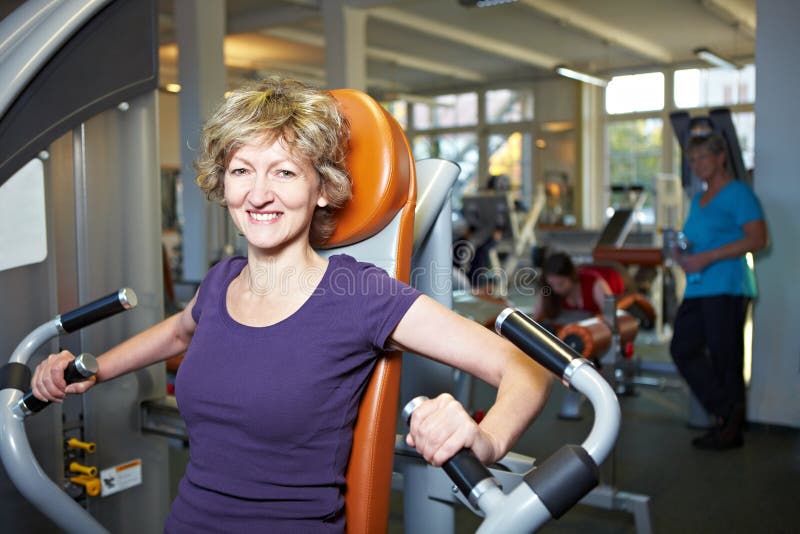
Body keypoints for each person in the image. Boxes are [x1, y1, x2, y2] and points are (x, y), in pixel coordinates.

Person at [30, 78, 551, 533]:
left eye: (283, 172)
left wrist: (482, 441)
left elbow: (525, 368)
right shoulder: (221, 283)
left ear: (322, 188)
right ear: (223, 185)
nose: (258, 194)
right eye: (241, 171)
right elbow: (179, 332)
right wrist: (92, 370)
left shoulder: (360, 295)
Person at [670, 133, 768, 451]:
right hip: (699, 288)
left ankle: (728, 427)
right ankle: (727, 412)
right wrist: (683, 254)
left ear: (720, 157)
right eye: (693, 160)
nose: (697, 166)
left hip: (727, 286)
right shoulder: (699, 200)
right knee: (683, 347)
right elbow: (695, 239)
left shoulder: (738, 193)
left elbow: (757, 239)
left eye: (703, 158)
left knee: (726, 358)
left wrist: (708, 257)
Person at [533, 251, 614, 324]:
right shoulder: (548, 290)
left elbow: (611, 317)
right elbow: (536, 318)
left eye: (561, 284)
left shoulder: (596, 285)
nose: (556, 289)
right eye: (552, 284)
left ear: (572, 276)